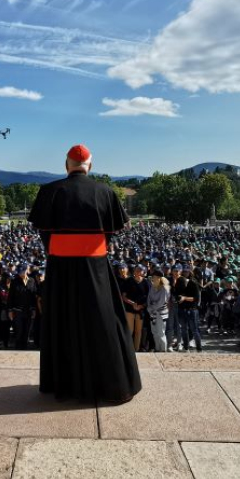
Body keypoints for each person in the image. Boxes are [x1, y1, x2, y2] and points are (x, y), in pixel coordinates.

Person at [29, 144, 141, 404]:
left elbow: (44, 233)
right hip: (96, 269)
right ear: (90, 165)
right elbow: (111, 234)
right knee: (103, 323)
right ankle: (113, 385)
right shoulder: (105, 191)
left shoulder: (49, 191)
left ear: (66, 165)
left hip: (59, 269)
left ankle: (63, 385)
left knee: (62, 322)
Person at [7, 264, 38, 350]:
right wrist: (10, 310)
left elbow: (33, 296)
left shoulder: (32, 281)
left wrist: (34, 309)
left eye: (22, 272)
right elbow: (10, 297)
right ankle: (18, 348)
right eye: (19, 272)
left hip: (28, 310)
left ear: (26, 271)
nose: (21, 274)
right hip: (17, 310)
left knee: (27, 330)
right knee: (18, 330)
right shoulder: (14, 281)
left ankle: (24, 348)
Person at [122, 265, 149, 352]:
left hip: (141, 310)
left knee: (138, 331)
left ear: (143, 273)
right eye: (136, 270)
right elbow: (123, 296)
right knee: (130, 330)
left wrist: (142, 306)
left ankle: (136, 349)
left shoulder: (146, 282)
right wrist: (133, 304)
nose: (137, 271)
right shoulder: (128, 281)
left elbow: (149, 298)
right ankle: (128, 349)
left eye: (140, 270)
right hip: (130, 309)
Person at [176, 267, 203, 353]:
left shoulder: (193, 283)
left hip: (192, 310)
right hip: (182, 309)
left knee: (194, 330)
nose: (185, 273)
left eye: (187, 272)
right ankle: (186, 348)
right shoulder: (179, 281)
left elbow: (195, 298)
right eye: (183, 271)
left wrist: (184, 298)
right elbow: (177, 294)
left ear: (190, 272)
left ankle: (199, 348)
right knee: (184, 329)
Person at [147, 269, 171, 353]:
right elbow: (149, 299)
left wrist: (151, 307)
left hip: (161, 314)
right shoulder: (152, 287)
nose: (152, 278)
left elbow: (161, 302)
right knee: (154, 332)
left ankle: (163, 350)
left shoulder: (164, 288)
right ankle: (157, 349)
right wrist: (149, 308)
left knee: (161, 332)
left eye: (153, 277)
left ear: (158, 278)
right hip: (152, 313)